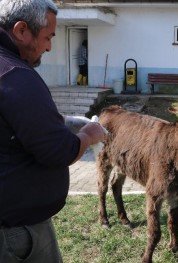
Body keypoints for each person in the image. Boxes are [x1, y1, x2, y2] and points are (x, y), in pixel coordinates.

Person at [0, 0, 106, 262]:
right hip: (16, 234)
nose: (49, 46)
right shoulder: (15, 76)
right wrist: (90, 134)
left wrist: (61, 120)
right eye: (48, 37)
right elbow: (60, 151)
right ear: (22, 30)